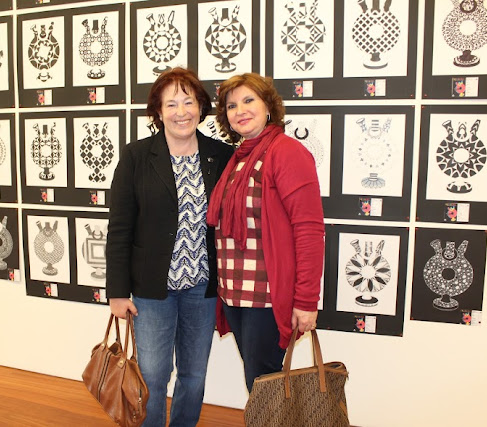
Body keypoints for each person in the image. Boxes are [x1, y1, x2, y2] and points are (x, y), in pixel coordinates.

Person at [106, 67, 233, 427]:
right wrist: (117, 292)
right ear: (158, 112)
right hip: (152, 291)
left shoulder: (220, 155)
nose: (181, 112)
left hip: (202, 288)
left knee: (194, 374)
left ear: (201, 107)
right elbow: (120, 228)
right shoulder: (136, 156)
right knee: (153, 375)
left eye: (188, 102)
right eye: (171, 104)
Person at [207, 73, 324, 392]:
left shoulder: (286, 152)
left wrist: (306, 301)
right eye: (232, 105)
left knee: (263, 385)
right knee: (261, 384)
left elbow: (309, 230)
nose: (240, 110)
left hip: (267, 296)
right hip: (235, 292)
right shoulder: (238, 160)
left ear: (268, 106)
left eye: (249, 100)